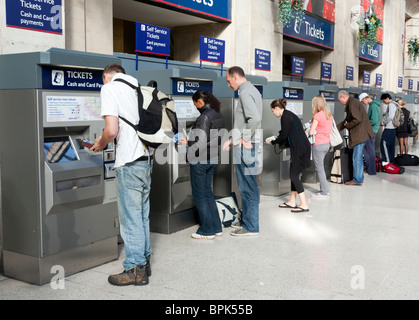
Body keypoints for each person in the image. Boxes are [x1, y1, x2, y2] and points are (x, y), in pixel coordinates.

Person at [91, 64, 152, 286]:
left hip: (128, 160)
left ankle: (135, 270)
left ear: (106, 76)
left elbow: (112, 130)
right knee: (142, 214)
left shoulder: (109, 88)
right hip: (146, 159)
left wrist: (101, 142)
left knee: (130, 218)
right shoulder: (136, 86)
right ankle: (145, 262)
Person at [178, 90, 225, 240]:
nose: (195, 108)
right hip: (213, 157)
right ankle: (216, 227)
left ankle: (206, 230)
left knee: (199, 195)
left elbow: (201, 141)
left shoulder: (204, 117)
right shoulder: (218, 113)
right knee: (207, 192)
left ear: (200, 101)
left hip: (201, 160)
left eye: (195, 104)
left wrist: (188, 149)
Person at [223, 66, 262, 237]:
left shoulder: (245, 92)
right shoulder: (253, 90)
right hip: (249, 144)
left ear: (235, 77)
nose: (228, 84)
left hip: (246, 146)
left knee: (247, 187)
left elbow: (255, 119)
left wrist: (243, 138)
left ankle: (251, 226)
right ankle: (247, 220)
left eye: (228, 81)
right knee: (248, 185)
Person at [267, 99, 311, 212]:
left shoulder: (285, 117)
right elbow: (286, 132)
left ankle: (304, 204)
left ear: (277, 108)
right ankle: (292, 201)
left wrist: (273, 141)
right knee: (293, 173)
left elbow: (283, 136)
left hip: (300, 149)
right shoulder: (288, 115)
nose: (273, 114)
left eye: (273, 111)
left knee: (294, 175)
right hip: (300, 147)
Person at [337, 90, 374, 186]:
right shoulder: (353, 102)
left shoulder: (352, 104)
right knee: (358, 158)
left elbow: (356, 119)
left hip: (360, 135)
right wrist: (336, 128)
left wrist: (348, 125)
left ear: (343, 97)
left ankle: (357, 179)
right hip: (362, 134)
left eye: (339, 100)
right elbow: (347, 120)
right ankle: (359, 178)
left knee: (356, 158)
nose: (340, 102)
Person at [309, 95, 332, 199]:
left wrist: (310, 126)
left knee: (320, 168)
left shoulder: (317, 116)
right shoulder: (329, 114)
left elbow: (311, 132)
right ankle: (324, 190)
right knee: (321, 167)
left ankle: (324, 192)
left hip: (318, 144)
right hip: (327, 144)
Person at [359, 93, 381, 175]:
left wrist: (364, 122)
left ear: (365, 98)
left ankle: (371, 170)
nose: (363, 103)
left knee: (369, 150)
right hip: (371, 130)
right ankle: (370, 168)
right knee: (367, 149)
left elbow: (374, 120)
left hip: (371, 130)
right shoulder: (373, 105)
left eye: (362, 101)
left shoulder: (373, 106)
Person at [380, 93, 398, 163]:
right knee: (391, 146)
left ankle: (387, 162)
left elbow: (390, 116)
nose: (384, 102)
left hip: (389, 128)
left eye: (384, 100)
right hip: (393, 128)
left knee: (383, 144)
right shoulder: (395, 104)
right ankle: (391, 161)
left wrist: (383, 122)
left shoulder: (390, 105)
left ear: (387, 98)